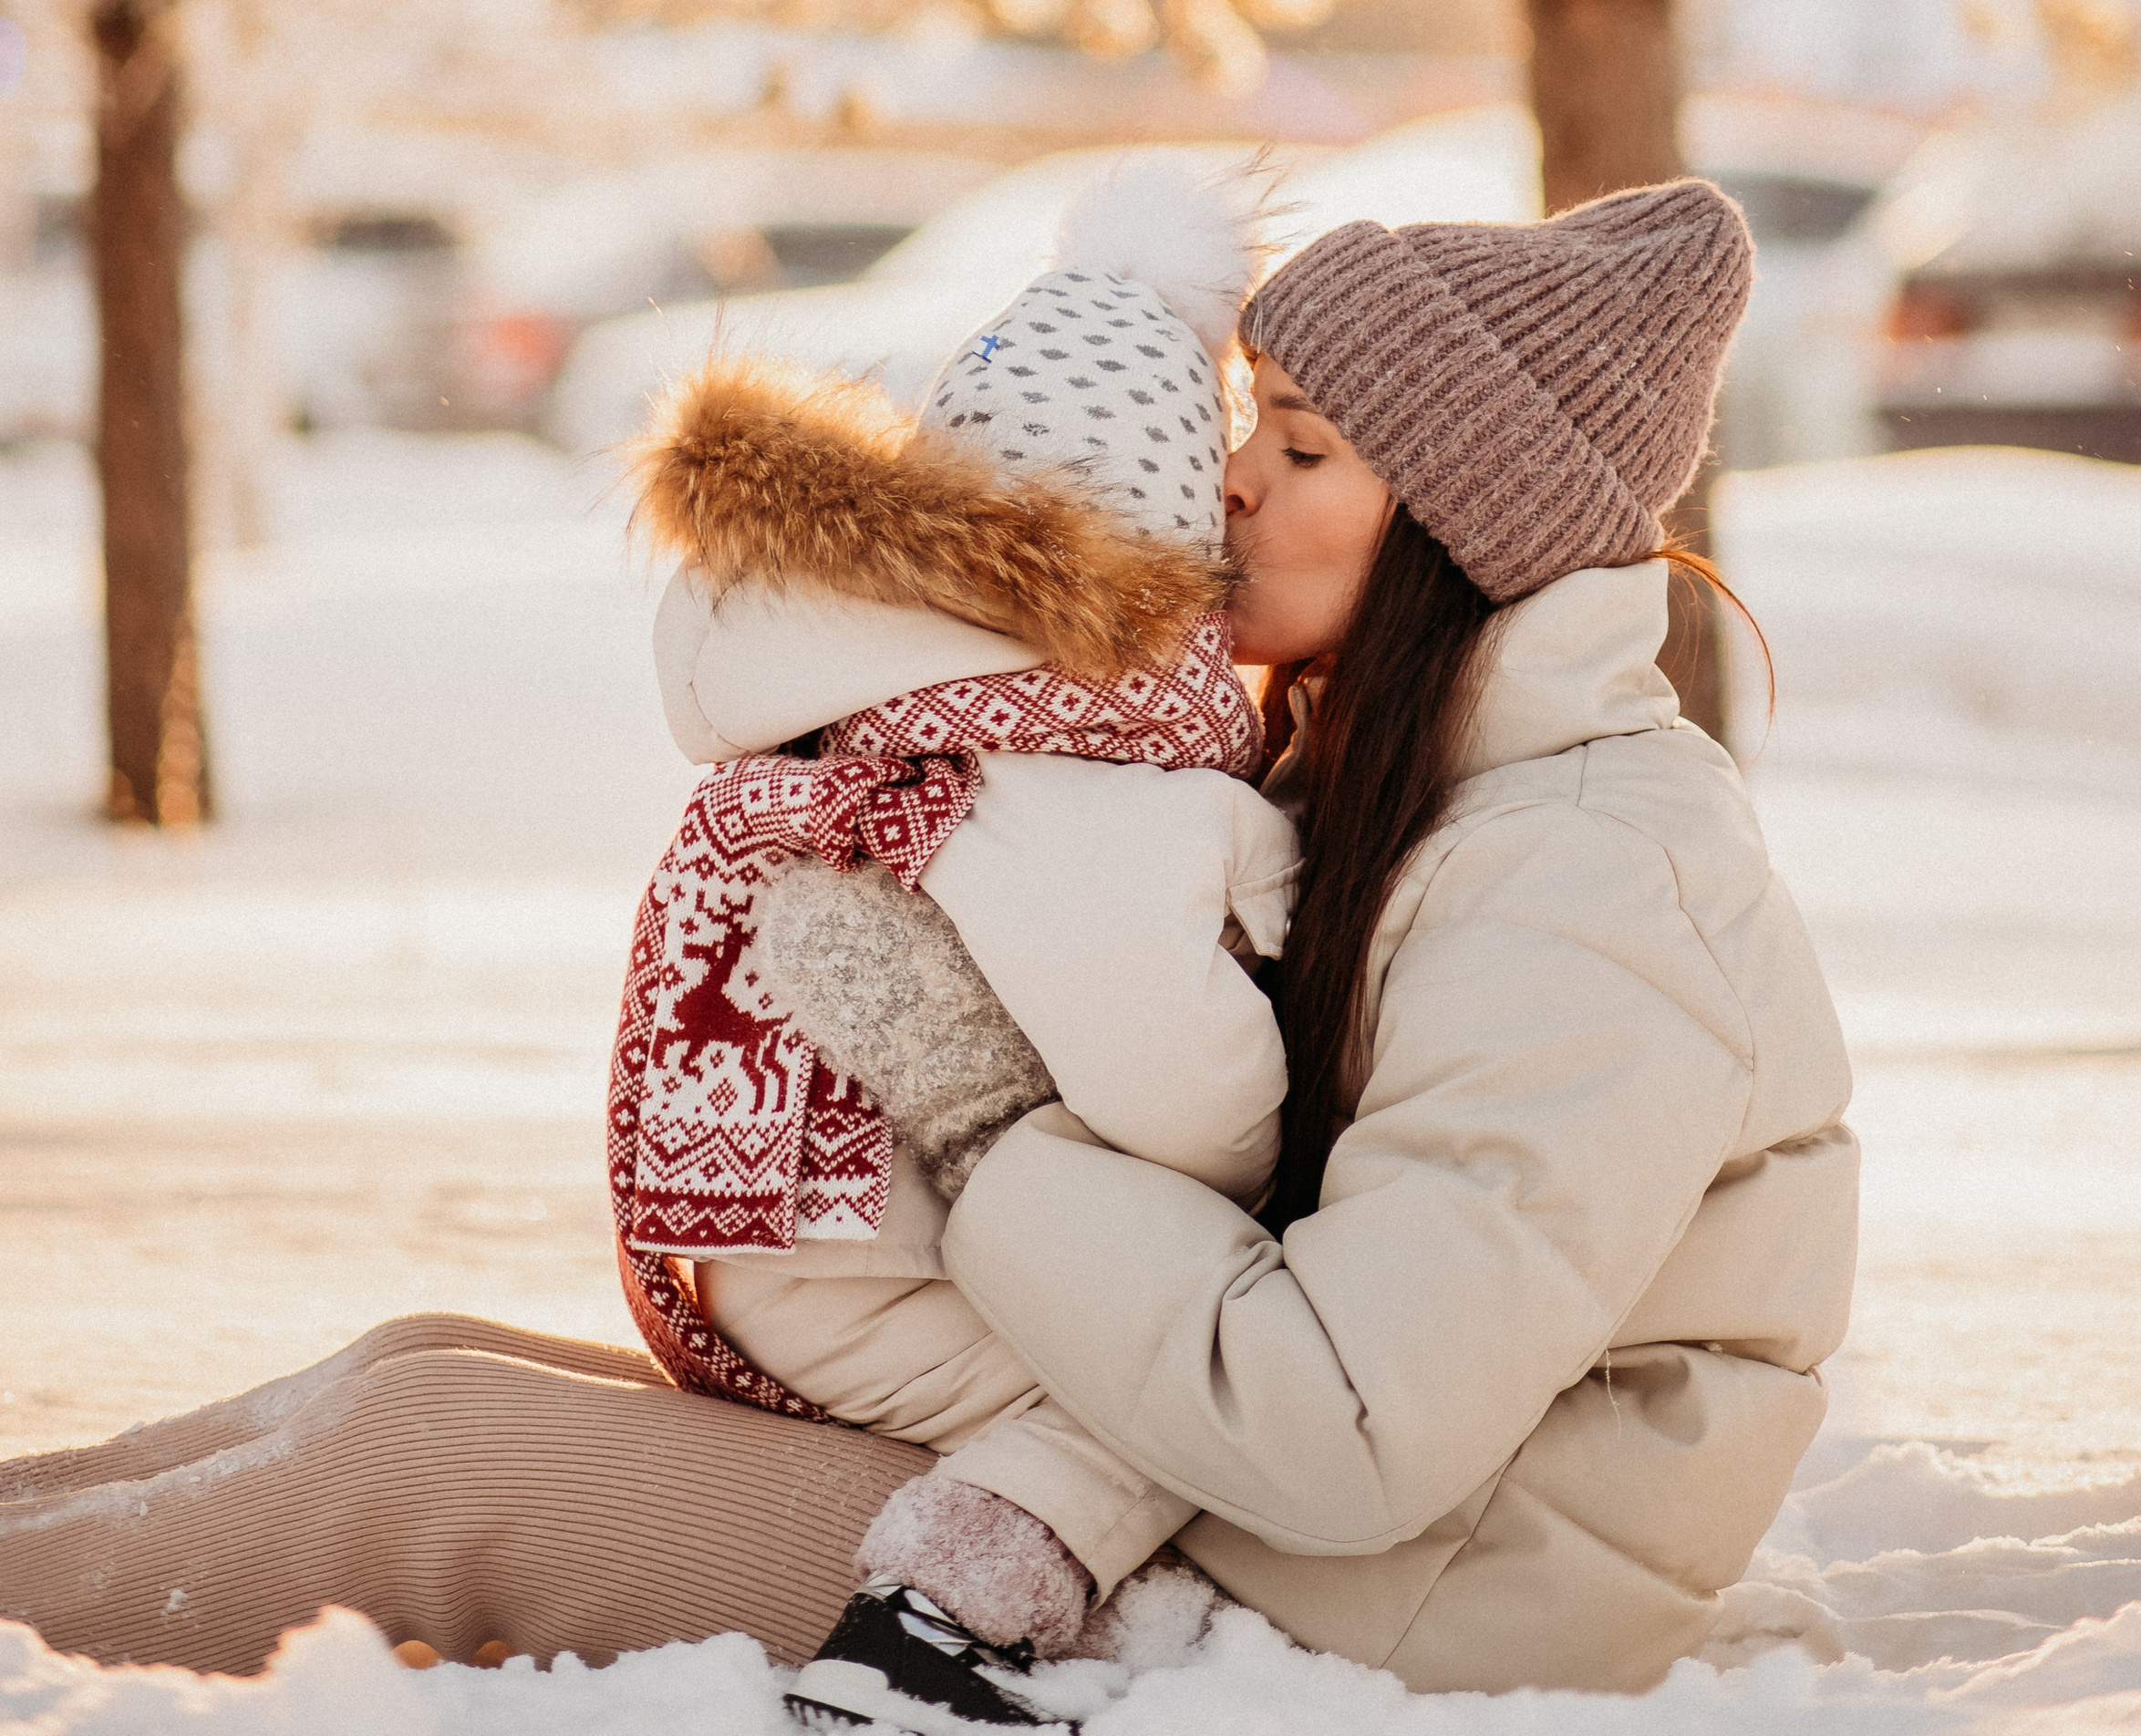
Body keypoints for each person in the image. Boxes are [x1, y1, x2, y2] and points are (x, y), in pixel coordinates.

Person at [0, 174, 1855, 1707]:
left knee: (428, 1475)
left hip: (1371, 1600)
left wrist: (975, 1117)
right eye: (1244, 430)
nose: (1228, 487)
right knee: (417, 1376)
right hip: (1228, 1502)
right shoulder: (1402, 781)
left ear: (1466, 527)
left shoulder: (1594, 880)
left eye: (1298, 450)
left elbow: (1348, 1426)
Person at [608, 156, 1297, 1730]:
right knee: (1197, 1389)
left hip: (775, 1223)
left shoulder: (848, 676)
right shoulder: (1073, 757)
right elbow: (1169, 1085)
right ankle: (947, 1629)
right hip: (878, 1255)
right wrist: (1282, 1128)